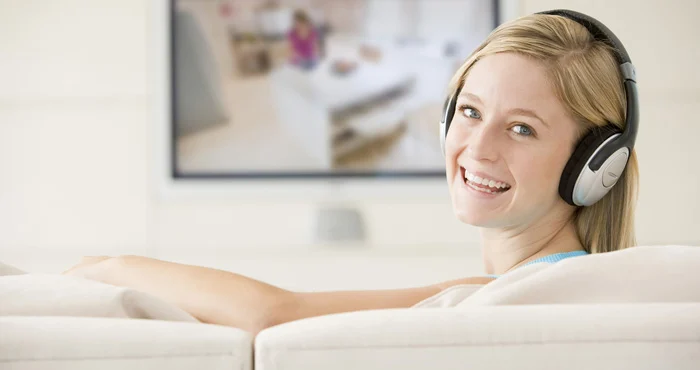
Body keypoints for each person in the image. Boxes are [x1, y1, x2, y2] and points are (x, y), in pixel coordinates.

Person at [63, 10, 639, 336]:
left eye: (522, 129)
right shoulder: (568, 288)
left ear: (596, 164)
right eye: (469, 111)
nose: (476, 147)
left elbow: (274, 317)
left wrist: (111, 266)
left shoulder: (511, 297)